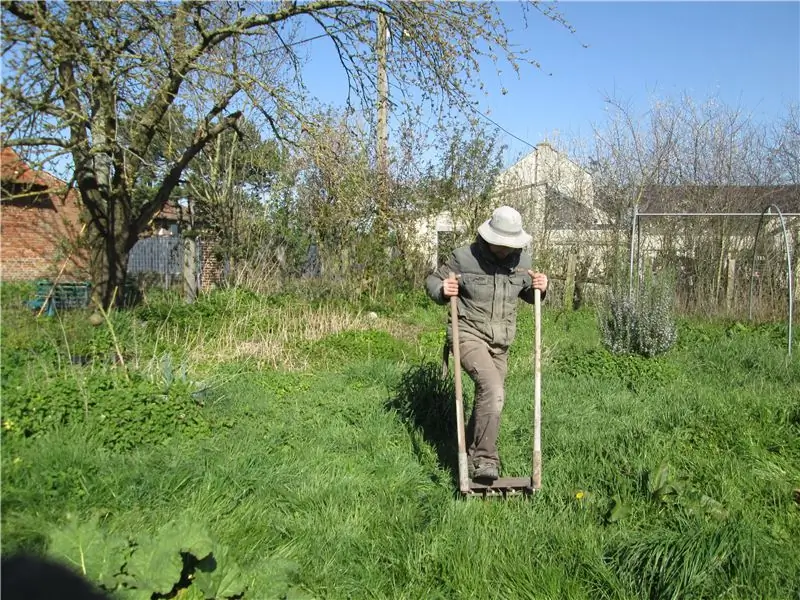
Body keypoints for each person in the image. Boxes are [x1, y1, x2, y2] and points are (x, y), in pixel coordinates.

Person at [425, 206, 548, 481]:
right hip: (467, 332)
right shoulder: (464, 257)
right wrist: (443, 289)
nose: (505, 250)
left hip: (501, 342)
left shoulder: (522, 260)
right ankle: (485, 459)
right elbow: (433, 281)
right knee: (492, 388)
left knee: (491, 397)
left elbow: (529, 292)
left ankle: (470, 454)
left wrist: (541, 286)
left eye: (510, 244)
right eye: (500, 244)